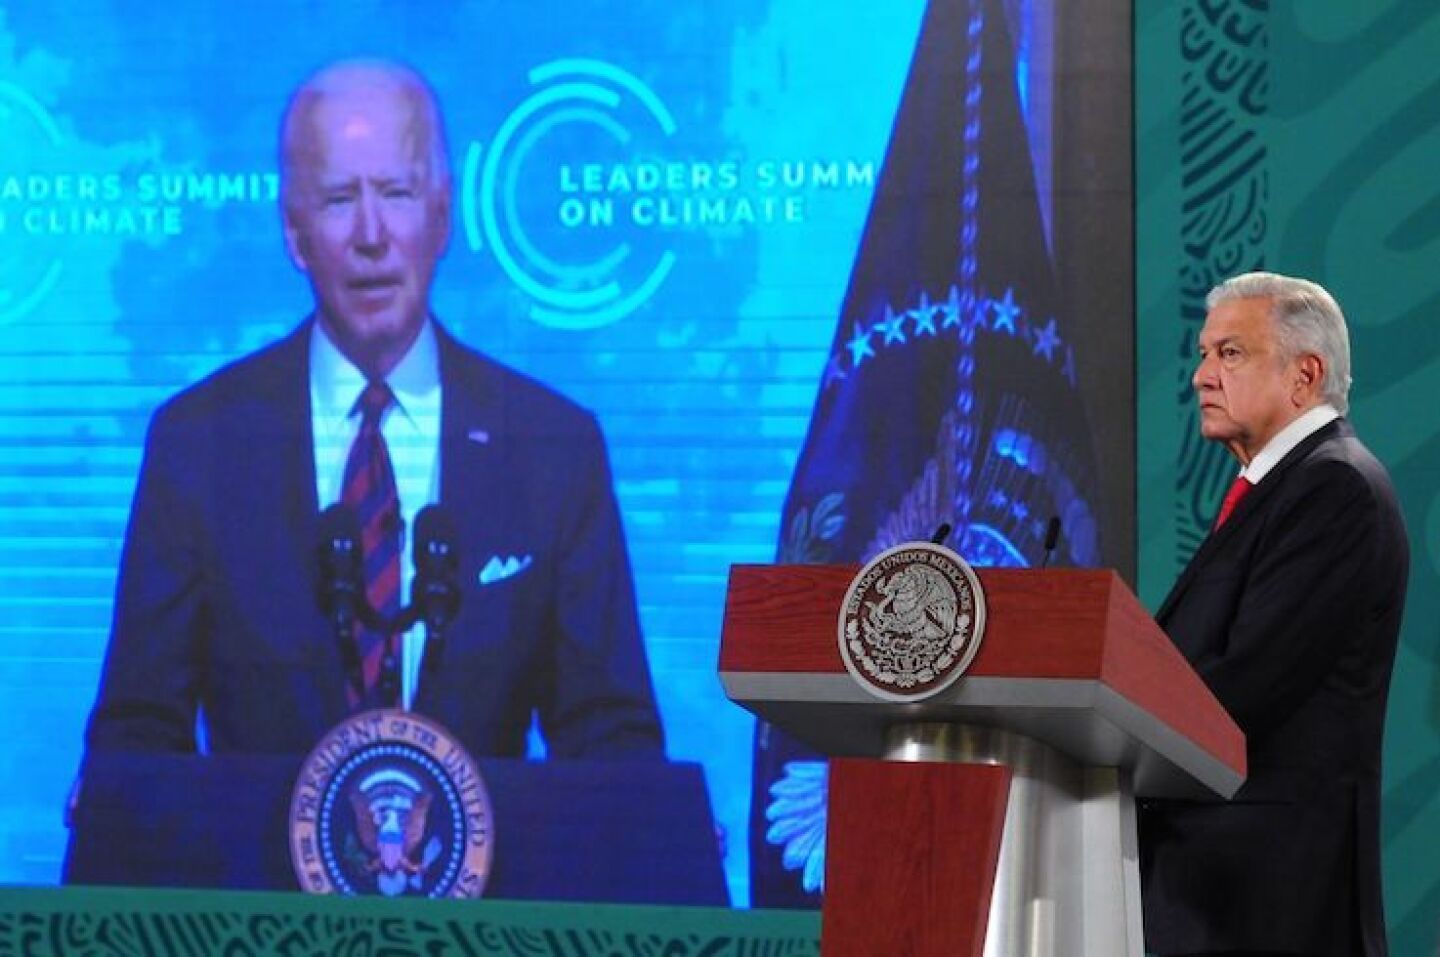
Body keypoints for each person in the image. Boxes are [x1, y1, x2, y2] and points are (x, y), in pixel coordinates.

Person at [80, 60, 664, 762]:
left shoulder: (551, 447)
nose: (370, 233)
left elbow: (612, 741)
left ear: (442, 216)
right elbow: (137, 735)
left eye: (396, 192)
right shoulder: (199, 445)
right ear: (295, 234)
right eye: (337, 199)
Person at [1139, 272, 1409, 956]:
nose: (1202, 376)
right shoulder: (1281, 487)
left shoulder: (1334, 487)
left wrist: (1110, 746)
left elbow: (1242, 689)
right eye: (1203, 354)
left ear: (1305, 375)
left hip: (1271, 906)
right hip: (1218, 899)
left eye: (1229, 353)